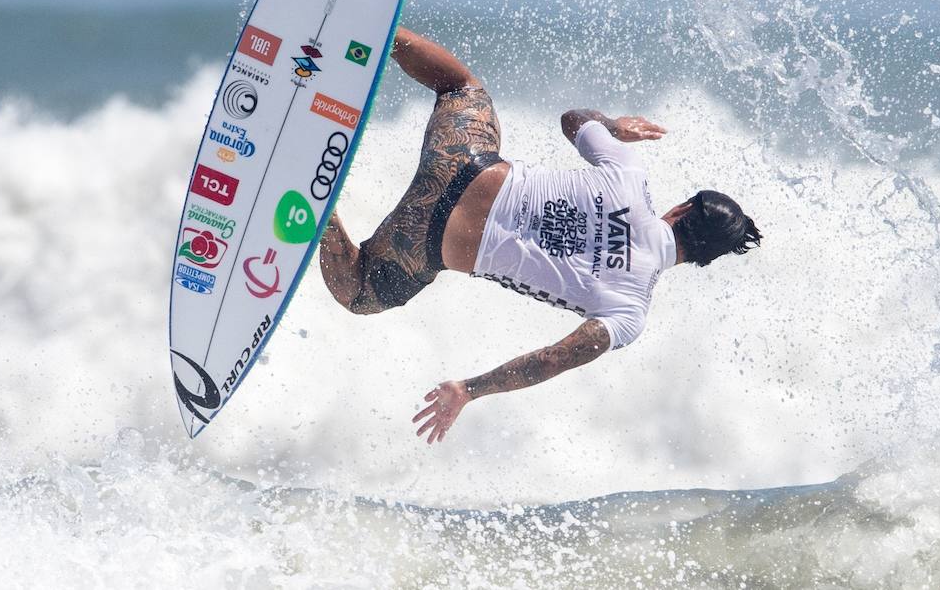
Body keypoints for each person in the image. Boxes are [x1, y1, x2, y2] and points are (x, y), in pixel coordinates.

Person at [318, 28, 761, 444]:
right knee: (360, 295)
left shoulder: (630, 174)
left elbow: (573, 120)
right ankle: (317, 208)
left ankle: (376, 33)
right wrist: (469, 390)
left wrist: (611, 125)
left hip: (461, 158)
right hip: (425, 240)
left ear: (682, 209)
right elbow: (552, 360)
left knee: (460, 87)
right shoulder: (630, 313)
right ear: (700, 260)